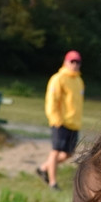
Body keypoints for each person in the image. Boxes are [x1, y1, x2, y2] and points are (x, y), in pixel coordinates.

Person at [37, 51, 84, 190]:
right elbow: (51, 100)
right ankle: (53, 182)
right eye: (72, 61)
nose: (75, 65)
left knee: (69, 153)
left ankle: (44, 168)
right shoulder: (58, 78)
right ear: (66, 62)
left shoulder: (79, 81)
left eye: (77, 62)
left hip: (73, 122)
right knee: (56, 151)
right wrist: (55, 118)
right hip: (60, 121)